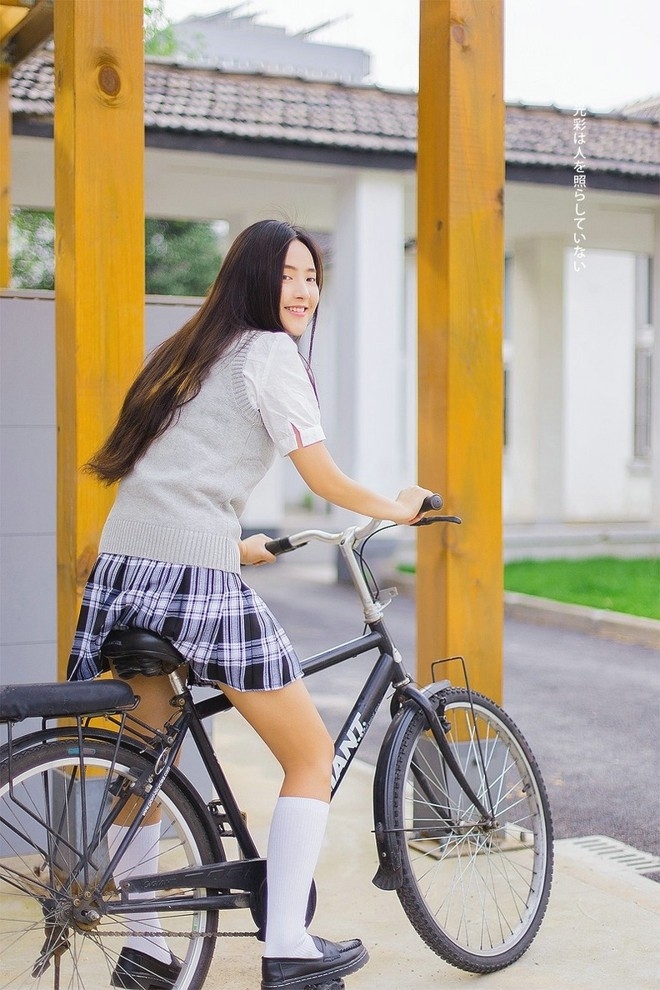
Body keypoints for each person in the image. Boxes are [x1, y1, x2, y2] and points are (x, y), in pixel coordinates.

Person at [68, 218, 432, 990]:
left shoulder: (189, 350)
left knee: (143, 764)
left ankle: (147, 948)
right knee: (308, 757)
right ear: (253, 278)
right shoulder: (269, 353)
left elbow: (171, 478)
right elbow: (323, 478)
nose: (301, 291)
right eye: (287, 275)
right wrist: (399, 508)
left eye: (311, 277)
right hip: (190, 579)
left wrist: (236, 544)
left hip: (128, 570)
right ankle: (288, 945)